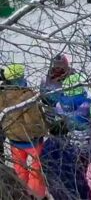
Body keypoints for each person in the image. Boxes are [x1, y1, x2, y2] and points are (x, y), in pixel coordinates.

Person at [0, 64, 48, 198]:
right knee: (35, 170)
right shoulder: (27, 95)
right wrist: (42, 132)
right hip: (31, 141)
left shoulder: (2, 94)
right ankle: (36, 195)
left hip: (14, 139)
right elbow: (34, 121)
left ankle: (22, 192)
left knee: (19, 167)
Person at [40, 120, 90, 199]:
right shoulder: (67, 147)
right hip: (72, 184)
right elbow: (75, 167)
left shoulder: (45, 147)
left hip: (56, 186)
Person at [56, 73, 91, 156]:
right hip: (89, 138)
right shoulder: (89, 103)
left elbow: (59, 122)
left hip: (70, 138)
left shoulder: (59, 104)